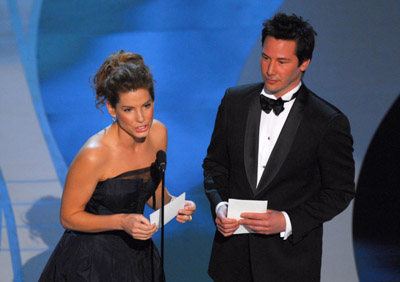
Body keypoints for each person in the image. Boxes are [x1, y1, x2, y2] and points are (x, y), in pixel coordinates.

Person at [203, 13, 355, 282]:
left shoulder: (328, 122)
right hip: (231, 262)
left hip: (289, 265)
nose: (270, 70)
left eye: (282, 61)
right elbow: (215, 166)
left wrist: (286, 220)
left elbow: (339, 192)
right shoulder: (233, 102)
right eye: (265, 58)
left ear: (304, 63)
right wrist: (220, 207)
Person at [39, 50, 196, 282]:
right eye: (129, 110)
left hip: (138, 259)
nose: (141, 118)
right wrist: (122, 221)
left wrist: (175, 205)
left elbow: (152, 192)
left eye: (146, 105)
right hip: (90, 264)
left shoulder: (159, 133)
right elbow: (69, 217)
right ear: (112, 110)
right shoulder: (94, 154)